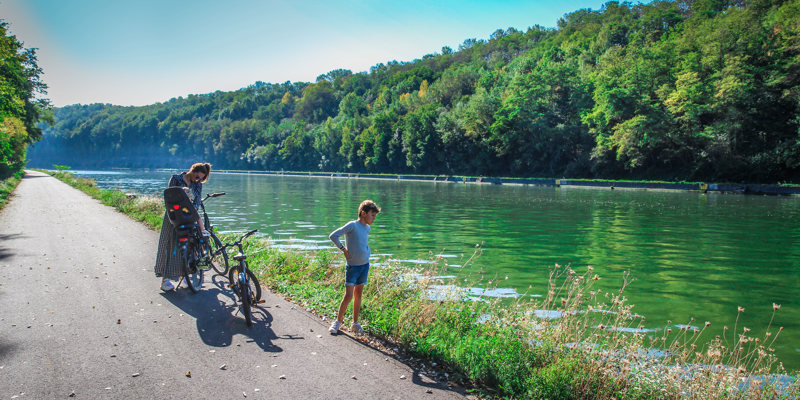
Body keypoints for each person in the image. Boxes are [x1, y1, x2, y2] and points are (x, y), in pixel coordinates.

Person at [154, 162, 212, 291]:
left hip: (187, 218)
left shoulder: (197, 185)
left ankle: (183, 276)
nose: (198, 180)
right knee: (169, 246)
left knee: (186, 247)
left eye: (201, 178)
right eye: (197, 177)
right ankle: (165, 280)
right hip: (172, 217)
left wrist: (192, 213)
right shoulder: (176, 178)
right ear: (192, 171)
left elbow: (196, 203)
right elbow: (168, 198)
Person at [328, 199, 380, 335]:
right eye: (372, 215)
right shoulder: (352, 225)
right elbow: (333, 236)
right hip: (352, 267)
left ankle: (355, 324)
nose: (374, 218)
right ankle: (338, 322)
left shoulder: (367, 228)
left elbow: (362, 243)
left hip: (364, 265)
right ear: (363, 213)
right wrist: (343, 249)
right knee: (348, 296)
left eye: (375, 216)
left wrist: (367, 252)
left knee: (359, 295)